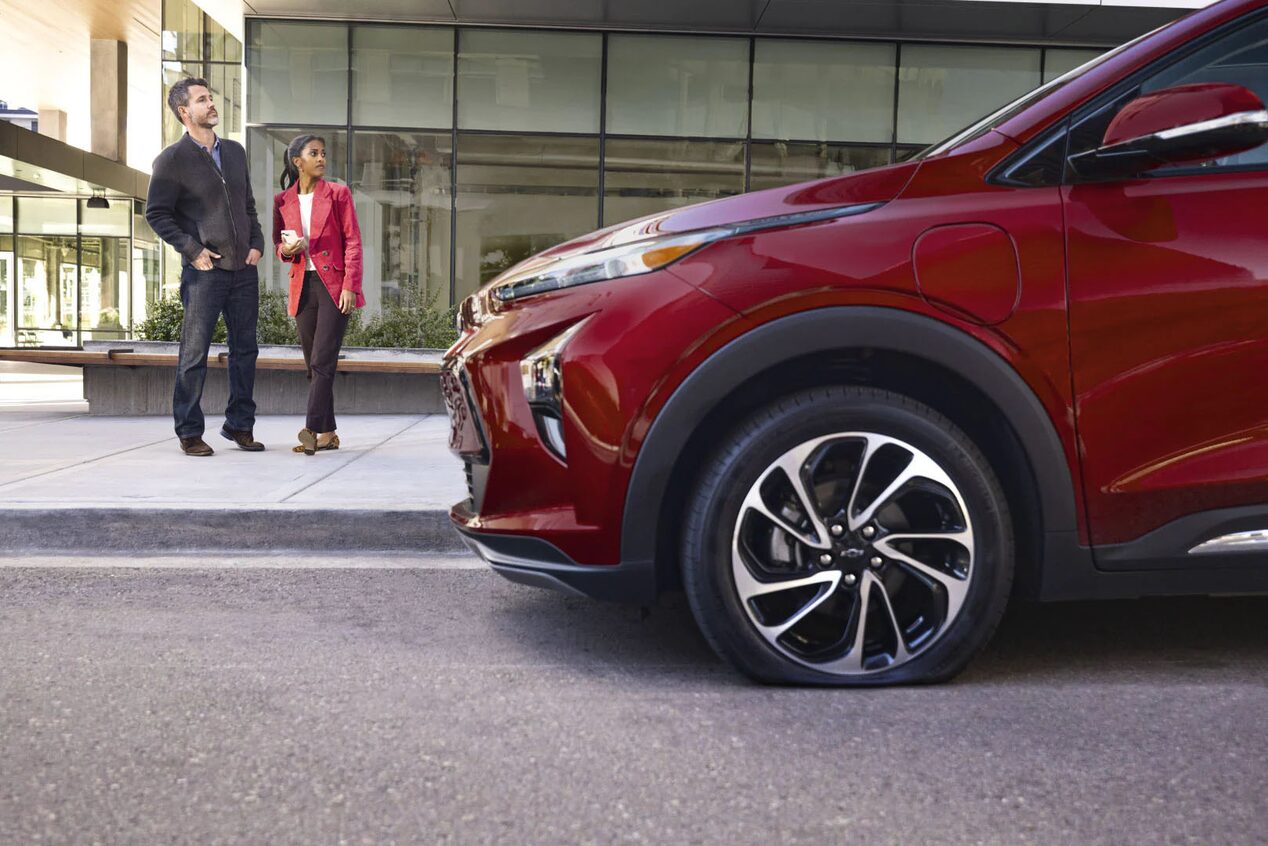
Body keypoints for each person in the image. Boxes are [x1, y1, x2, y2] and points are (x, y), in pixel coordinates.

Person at [145, 77, 265, 457]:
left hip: (243, 270)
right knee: (194, 353)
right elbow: (157, 214)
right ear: (185, 111)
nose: (212, 104)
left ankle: (239, 425)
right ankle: (189, 431)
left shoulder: (234, 152)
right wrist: (191, 249)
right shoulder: (171, 160)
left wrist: (257, 243)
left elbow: (247, 204)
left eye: (211, 97)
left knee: (246, 350)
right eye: (202, 99)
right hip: (205, 273)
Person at [272, 135, 364, 455]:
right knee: (314, 364)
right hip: (302, 285)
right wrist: (285, 249)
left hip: (334, 286)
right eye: (315, 154)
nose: (322, 158)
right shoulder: (283, 201)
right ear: (298, 161)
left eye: (324, 153)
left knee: (324, 360)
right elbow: (278, 246)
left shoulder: (339, 195)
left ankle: (310, 429)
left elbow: (353, 241)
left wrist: (351, 285)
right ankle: (329, 433)